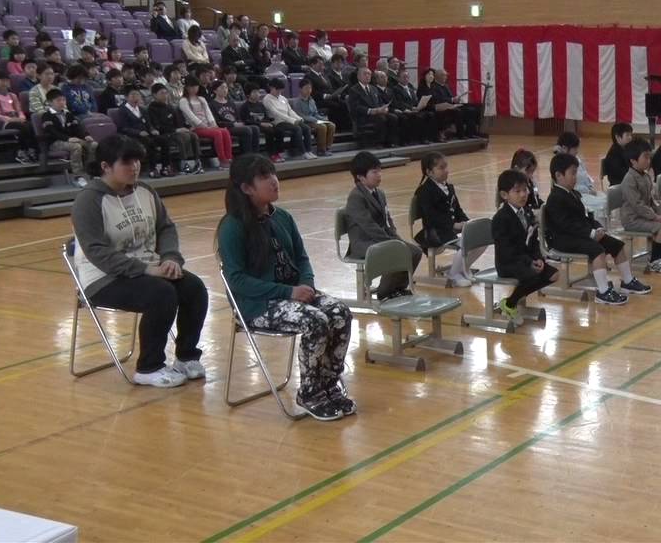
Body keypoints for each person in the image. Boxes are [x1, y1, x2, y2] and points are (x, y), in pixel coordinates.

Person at [217, 154, 355, 421]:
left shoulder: (284, 217)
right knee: (315, 321)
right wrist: (288, 292)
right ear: (246, 188)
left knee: (340, 312)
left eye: (273, 173)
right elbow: (236, 280)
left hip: (294, 293)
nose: (274, 181)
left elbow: (302, 258)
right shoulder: (232, 227)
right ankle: (309, 394)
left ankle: (328, 385)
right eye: (264, 177)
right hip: (257, 304)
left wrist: (306, 284)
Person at [70, 135, 208, 387]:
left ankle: (186, 356)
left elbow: (165, 227)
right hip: (103, 279)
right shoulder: (88, 201)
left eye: (137, 161)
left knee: (194, 288)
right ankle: (149, 367)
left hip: (149, 268)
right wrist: (146, 270)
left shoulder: (146, 191)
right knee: (161, 294)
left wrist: (170, 258)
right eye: (127, 162)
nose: (134, 167)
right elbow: (96, 251)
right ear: (105, 166)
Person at [544, 153, 649, 303]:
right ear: (559, 175)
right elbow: (565, 225)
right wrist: (591, 233)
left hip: (579, 234)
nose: (575, 177)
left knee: (616, 245)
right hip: (563, 239)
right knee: (597, 250)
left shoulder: (573, 193)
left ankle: (627, 281)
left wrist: (598, 228)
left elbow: (585, 218)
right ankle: (603, 291)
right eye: (572, 173)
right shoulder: (555, 198)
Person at [344, 152, 421, 300]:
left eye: (379, 171)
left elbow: (388, 220)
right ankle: (384, 292)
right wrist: (391, 242)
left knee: (415, 252)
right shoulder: (356, 197)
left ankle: (397, 287)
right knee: (396, 251)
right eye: (374, 172)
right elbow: (369, 226)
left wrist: (395, 237)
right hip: (364, 243)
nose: (379, 175)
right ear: (360, 177)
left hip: (381, 239)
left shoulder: (380, 193)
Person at [491, 169, 559, 321]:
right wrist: (529, 262)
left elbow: (534, 241)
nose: (523, 194)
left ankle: (511, 301)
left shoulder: (527, 212)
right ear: (504, 195)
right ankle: (510, 303)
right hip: (507, 263)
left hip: (526, 260)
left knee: (554, 274)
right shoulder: (501, 218)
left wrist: (538, 258)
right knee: (533, 275)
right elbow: (506, 250)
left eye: (525, 189)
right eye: (517, 191)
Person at [411, 152, 481, 288]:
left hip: (450, 229)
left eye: (446, 167)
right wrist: (454, 225)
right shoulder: (424, 191)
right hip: (435, 232)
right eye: (441, 168)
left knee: (480, 239)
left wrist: (467, 223)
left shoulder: (449, 187)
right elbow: (431, 217)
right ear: (429, 172)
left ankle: (462, 269)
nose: (446, 171)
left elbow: (458, 210)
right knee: (467, 243)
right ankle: (453, 274)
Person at [618, 138, 661, 274]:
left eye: (649, 157)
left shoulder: (646, 177)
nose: (648, 161)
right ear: (633, 161)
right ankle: (654, 261)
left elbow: (653, 200)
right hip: (632, 219)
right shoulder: (629, 180)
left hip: (645, 216)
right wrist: (655, 217)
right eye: (645, 157)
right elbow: (637, 205)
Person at [40, 88, 98, 187]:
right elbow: (52, 132)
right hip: (55, 142)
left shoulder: (68, 114)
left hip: (71, 140)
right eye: (58, 100)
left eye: (63, 100)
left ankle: (92, 173)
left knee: (94, 145)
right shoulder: (46, 116)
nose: (62, 102)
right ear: (50, 102)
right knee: (76, 147)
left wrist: (86, 135)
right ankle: (78, 176)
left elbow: (77, 127)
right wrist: (67, 139)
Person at [179, 76, 233, 168]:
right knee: (217, 133)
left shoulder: (201, 99)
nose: (194, 89)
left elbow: (208, 113)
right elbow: (191, 117)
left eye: (196, 86)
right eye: (192, 87)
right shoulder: (183, 101)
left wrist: (213, 123)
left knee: (225, 131)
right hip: (196, 128)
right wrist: (203, 125)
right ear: (187, 88)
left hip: (208, 127)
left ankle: (229, 158)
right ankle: (222, 160)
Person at [115, 88, 171, 178]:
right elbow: (123, 128)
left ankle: (165, 167)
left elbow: (148, 124)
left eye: (137, 95)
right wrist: (138, 132)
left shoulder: (142, 109)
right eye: (133, 95)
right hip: (132, 136)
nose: (136, 98)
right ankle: (153, 169)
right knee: (150, 143)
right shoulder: (122, 111)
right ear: (127, 97)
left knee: (164, 140)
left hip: (146, 134)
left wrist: (152, 129)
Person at [148, 83, 203, 175]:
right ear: (154, 95)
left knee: (193, 135)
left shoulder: (170, 107)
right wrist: (175, 130)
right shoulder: (152, 108)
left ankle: (197, 162)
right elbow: (157, 126)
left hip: (175, 131)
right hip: (165, 133)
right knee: (181, 138)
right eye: (162, 93)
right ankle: (183, 164)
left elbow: (178, 122)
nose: (165, 95)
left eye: (166, 93)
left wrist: (187, 127)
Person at [240, 83, 300, 162]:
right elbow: (246, 120)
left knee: (279, 130)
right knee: (270, 131)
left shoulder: (260, 105)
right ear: (248, 94)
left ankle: (278, 152)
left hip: (265, 124)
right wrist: (261, 124)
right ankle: (271, 153)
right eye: (254, 92)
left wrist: (269, 122)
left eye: (258, 92)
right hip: (255, 125)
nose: (257, 94)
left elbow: (266, 116)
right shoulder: (245, 106)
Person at [262, 77, 316, 159]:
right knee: (297, 129)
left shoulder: (283, 98)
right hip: (278, 122)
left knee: (306, 128)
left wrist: (298, 118)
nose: (279, 92)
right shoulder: (267, 99)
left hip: (288, 120)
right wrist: (291, 120)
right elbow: (276, 113)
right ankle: (303, 152)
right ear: (272, 88)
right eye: (277, 90)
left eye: (281, 90)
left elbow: (290, 111)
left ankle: (309, 150)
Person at [347, 66, 401, 148]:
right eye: (365, 74)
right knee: (381, 118)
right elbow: (356, 107)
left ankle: (391, 141)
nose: (368, 76)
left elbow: (380, 102)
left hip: (377, 113)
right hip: (364, 115)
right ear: (358, 76)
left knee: (393, 117)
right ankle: (379, 142)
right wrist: (370, 110)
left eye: (369, 74)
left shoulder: (373, 88)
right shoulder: (354, 90)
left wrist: (384, 108)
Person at [0, 70, 37, 164]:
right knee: (21, 127)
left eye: (7, 81)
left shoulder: (13, 95)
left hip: (16, 119)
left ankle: (32, 149)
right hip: (4, 123)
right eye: (2, 80)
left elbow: (19, 110)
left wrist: (21, 117)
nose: (5, 83)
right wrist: (10, 119)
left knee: (31, 125)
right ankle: (22, 151)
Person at [553, 131, 605, 213]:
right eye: (575, 148)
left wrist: (590, 188)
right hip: (578, 196)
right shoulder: (561, 165)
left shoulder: (577, 159)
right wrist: (588, 191)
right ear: (564, 148)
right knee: (603, 204)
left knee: (606, 198)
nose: (577, 151)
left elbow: (586, 176)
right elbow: (571, 187)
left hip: (586, 193)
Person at [208, 80, 262, 156]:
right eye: (222, 88)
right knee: (246, 130)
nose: (225, 90)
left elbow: (237, 117)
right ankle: (247, 156)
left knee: (255, 128)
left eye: (226, 88)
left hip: (236, 125)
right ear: (215, 91)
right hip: (225, 127)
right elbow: (216, 122)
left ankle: (256, 154)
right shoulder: (212, 104)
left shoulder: (231, 102)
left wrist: (239, 122)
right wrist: (233, 124)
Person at [430, 68, 482, 139]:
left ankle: (471, 133)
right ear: (437, 76)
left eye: (446, 75)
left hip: (452, 105)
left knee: (473, 109)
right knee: (459, 112)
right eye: (443, 75)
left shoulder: (446, 86)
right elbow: (438, 99)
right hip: (443, 107)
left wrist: (456, 99)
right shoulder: (433, 86)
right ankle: (461, 134)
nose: (445, 77)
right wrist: (452, 100)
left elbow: (451, 98)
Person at [290, 79, 336, 156]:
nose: (308, 90)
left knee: (331, 125)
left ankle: (328, 147)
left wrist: (322, 118)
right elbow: (300, 115)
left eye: (310, 88)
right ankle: (321, 150)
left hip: (315, 120)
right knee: (322, 127)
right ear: (300, 89)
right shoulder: (296, 102)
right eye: (306, 88)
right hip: (305, 122)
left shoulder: (311, 100)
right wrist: (315, 120)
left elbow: (315, 113)